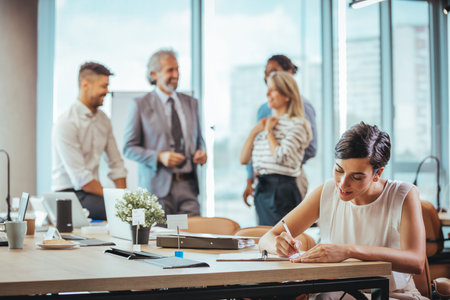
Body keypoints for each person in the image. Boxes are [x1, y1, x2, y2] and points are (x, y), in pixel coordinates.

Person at [259, 122, 427, 300]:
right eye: (339, 170)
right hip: (340, 293)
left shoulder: (403, 194)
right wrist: (278, 245)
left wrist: (348, 251)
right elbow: (266, 238)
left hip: (393, 295)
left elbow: (416, 262)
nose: (343, 183)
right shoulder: (327, 191)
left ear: (378, 173)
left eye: (357, 177)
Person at [123, 49, 207, 216]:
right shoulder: (140, 104)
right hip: (156, 190)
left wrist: (202, 151)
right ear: (154, 74)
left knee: (193, 238)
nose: (176, 74)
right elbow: (129, 148)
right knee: (157, 240)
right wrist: (159, 157)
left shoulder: (191, 103)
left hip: (188, 187)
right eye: (170, 70)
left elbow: (199, 139)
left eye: (177, 69)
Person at [52, 62, 127, 220]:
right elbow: (81, 179)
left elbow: (117, 163)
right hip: (69, 194)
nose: (107, 91)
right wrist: (117, 199)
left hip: (93, 193)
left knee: (136, 212)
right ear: (85, 85)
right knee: (116, 212)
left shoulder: (104, 120)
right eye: (103, 86)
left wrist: (125, 198)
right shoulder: (66, 122)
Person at [243, 54, 317, 207]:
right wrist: (251, 178)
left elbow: (310, 148)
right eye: (266, 72)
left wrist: (279, 166)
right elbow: (253, 150)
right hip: (263, 181)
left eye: (273, 71)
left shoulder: (303, 108)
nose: (267, 76)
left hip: (288, 177)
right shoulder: (264, 110)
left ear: (288, 74)